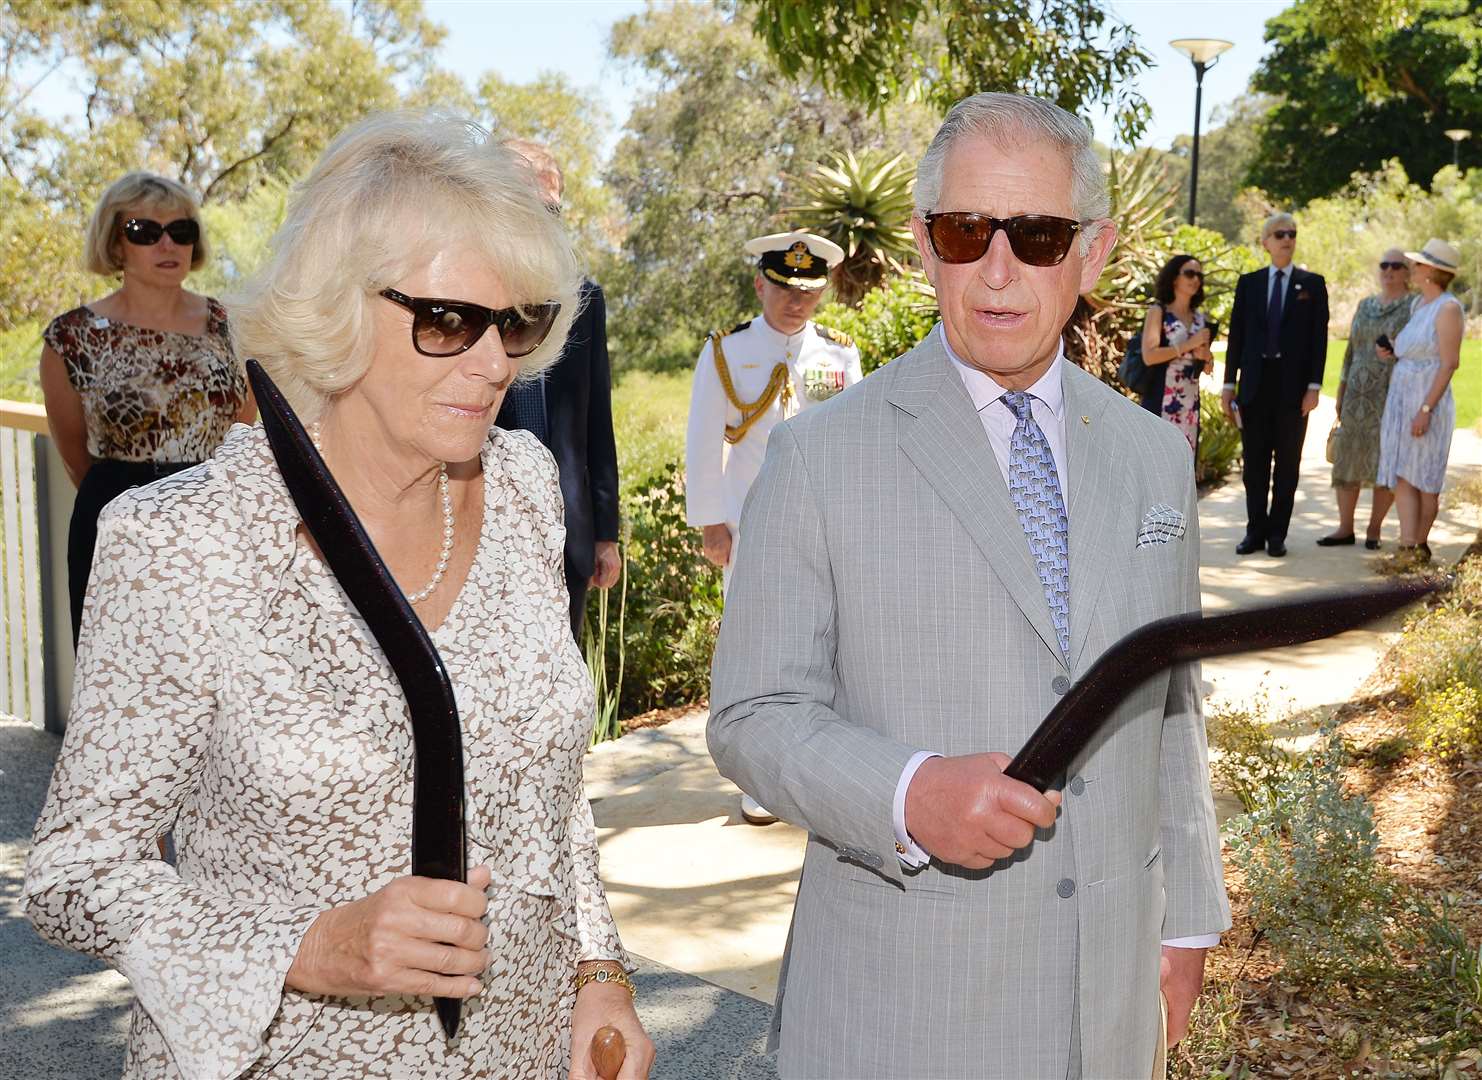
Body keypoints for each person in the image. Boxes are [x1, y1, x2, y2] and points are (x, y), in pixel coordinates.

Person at [24, 112, 654, 1080]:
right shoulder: (185, 543)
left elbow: (551, 787)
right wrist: (312, 948)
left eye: (517, 323)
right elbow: (75, 871)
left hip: (517, 1052)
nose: (495, 365)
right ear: (338, 306)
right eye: (448, 321)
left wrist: (597, 971)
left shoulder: (523, 485)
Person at [708, 92, 1230, 1079]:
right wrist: (908, 795)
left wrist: (1190, 918)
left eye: (1036, 234)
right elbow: (753, 713)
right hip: (904, 1015)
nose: (997, 270)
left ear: (1093, 249)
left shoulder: (1152, 458)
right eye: (964, 231)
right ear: (922, 243)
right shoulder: (819, 455)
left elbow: (1174, 710)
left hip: (1108, 1011)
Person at [685, 228, 862, 825]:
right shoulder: (726, 352)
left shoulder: (839, 355)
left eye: (809, 291)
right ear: (761, 283)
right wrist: (711, 521)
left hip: (826, 520)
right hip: (749, 518)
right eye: (785, 288)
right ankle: (759, 777)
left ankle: (820, 762)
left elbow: (855, 442)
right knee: (755, 644)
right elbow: (704, 439)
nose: (797, 301)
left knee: (830, 639)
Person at [39, 172, 254, 648]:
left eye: (181, 231)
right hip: (117, 519)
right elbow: (76, 453)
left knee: (214, 669)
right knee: (118, 670)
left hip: (213, 518)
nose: (167, 244)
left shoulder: (232, 326)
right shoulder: (72, 337)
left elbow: (247, 424)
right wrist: (131, 497)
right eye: (144, 231)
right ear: (116, 245)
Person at [496, 139, 621, 641]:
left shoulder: (583, 298)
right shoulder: (459, 293)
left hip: (566, 530)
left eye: (553, 209)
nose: (542, 221)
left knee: (562, 667)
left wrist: (606, 533)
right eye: (528, 206)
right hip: (484, 523)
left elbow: (597, 422)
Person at [1222, 212, 1330, 558]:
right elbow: (1237, 336)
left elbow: (1319, 339)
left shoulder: (1312, 284)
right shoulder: (1249, 283)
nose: (1287, 239)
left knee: (1287, 465)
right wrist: (1228, 384)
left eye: (1292, 234)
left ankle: (1276, 535)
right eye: (1279, 234)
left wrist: (1314, 385)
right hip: (1254, 386)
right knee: (1254, 466)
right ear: (1265, 242)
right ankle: (1254, 532)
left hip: (1294, 391)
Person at [1377, 238, 1466, 565]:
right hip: (1401, 400)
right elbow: (1412, 347)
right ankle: (1407, 544)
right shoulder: (1419, 306)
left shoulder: (1448, 308)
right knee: (1403, 473)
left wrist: (1425, 409)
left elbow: (1449, 362)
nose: (1412, 268)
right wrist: (1391, 349)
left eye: (1418, 264)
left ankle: (1421, 543)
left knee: (1426, 479)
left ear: (1432, 271)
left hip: (1428, 402)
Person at [1319, 249, 1412, 549]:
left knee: (1383, 460)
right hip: (1356, 392)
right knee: (1347, 455)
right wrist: (1342, 388)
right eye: (1384, 264)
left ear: (1407, 272)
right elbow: (1350, 352)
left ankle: (1374, 529)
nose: (1389, 270)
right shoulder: (1365, 304)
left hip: (1390, 392)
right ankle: (1345, 528)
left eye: (1397, 265)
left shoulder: (1413, 306)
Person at [1139, 253, 1215, 450]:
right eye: (1190, 273)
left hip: (1190, 403)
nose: (1196, 279)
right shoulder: (1158, 311)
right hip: (1161, 397)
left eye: (1199, 275)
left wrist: (1206, 358)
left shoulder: (1201, 318)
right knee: (1157, 461)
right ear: (1174, 278)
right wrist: (1189, 345)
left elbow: (1207, 368)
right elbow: (1149, 356)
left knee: (1185, 463)